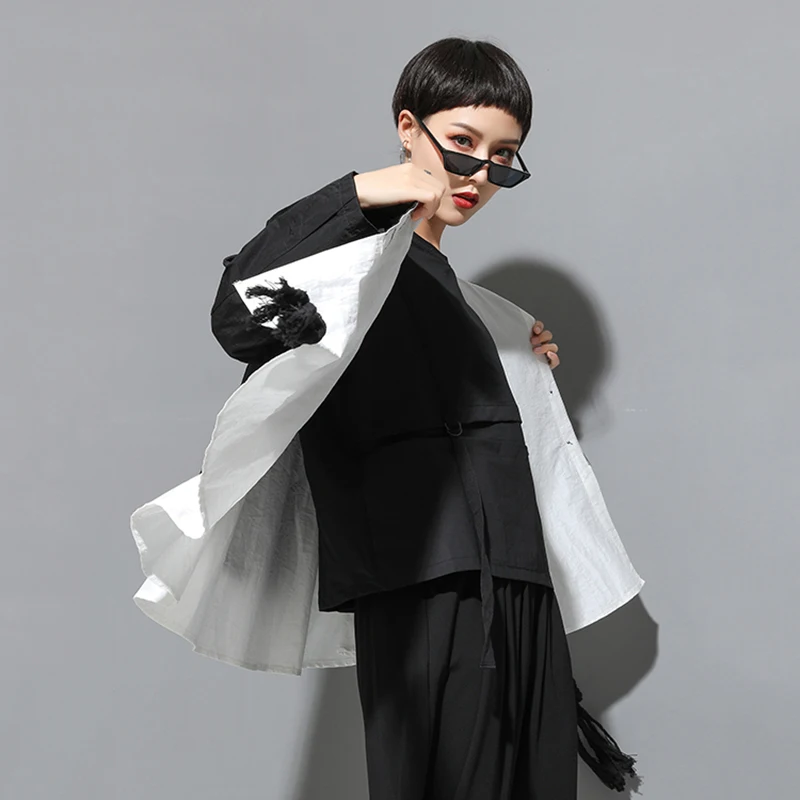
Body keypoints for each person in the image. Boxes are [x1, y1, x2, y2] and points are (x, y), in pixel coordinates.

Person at [206, 37, 639, 799]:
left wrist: (511, 351)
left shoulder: (470, 305)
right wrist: (368, 190)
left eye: (503, 157)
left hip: (518, 578)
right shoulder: (351, 266)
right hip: (424, 581)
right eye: (463, 143)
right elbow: (242, 314)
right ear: (408, 128)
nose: (480, 174)